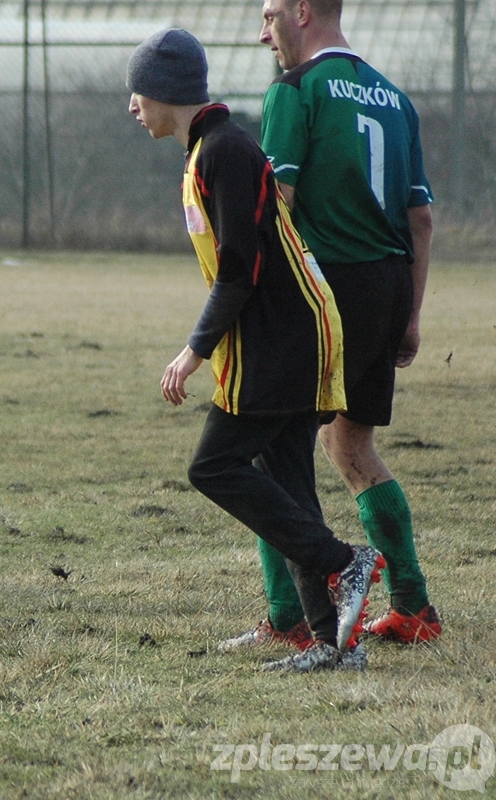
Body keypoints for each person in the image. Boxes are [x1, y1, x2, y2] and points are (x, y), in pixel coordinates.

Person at [127, 28, 384, 671]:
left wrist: (193, 351)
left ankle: (344, 561)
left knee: (212, 467)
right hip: (285, 335)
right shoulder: (210, 148)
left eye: (138, 91)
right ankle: (332, 644)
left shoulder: (223, 150)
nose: (132, 105)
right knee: (290, 483)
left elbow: (239, 269)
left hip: (281, 340)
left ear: (165, 90)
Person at [220, 0, 439, 650]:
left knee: (271, 450)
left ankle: (290, 618)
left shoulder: (295, 91)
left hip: (322, 291)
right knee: (351, 447)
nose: (262, 34)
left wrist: (247, 301)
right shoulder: (395, 98)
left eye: (269, 16)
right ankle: (412, 605)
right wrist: (411, 314)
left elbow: (276, 206)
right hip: (387, 286)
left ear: (302, 12)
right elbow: (421, 219)